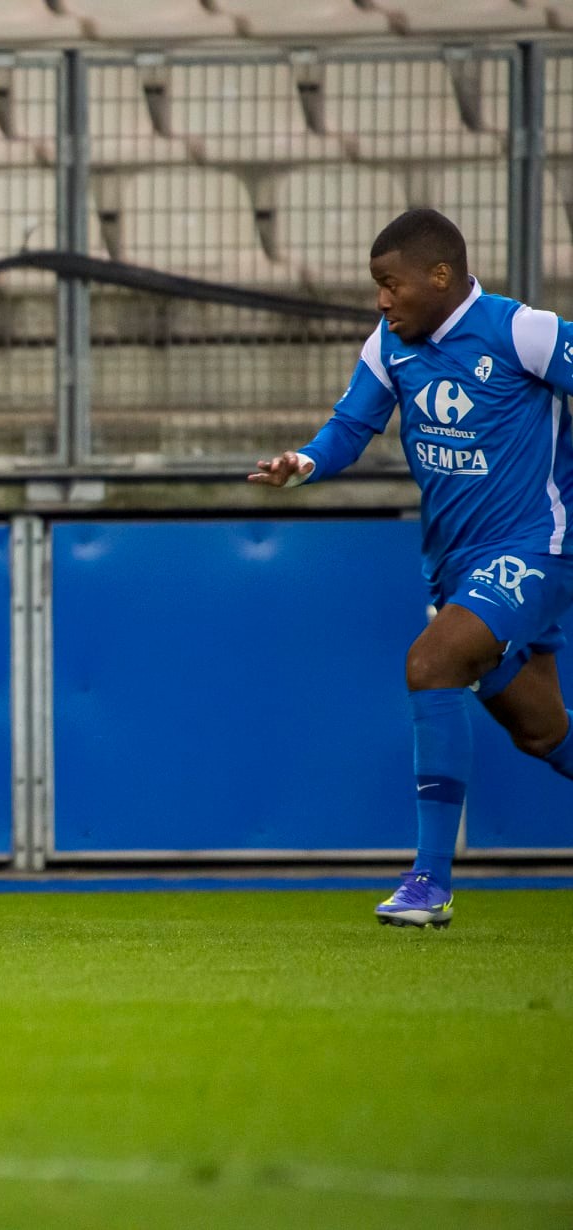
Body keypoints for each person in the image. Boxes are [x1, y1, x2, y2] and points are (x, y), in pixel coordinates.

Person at [251, 208, 573, 928]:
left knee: (432, 663)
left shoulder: (520, 330)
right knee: (542, 730)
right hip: (456, 567)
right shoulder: (390, 346)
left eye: (390, 284)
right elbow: (351, 427)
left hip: (537, 548)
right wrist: (305, 463)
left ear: (440, 276)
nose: (381, 301)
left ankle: (429, 882)